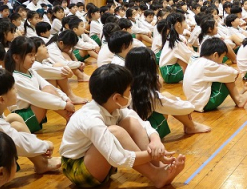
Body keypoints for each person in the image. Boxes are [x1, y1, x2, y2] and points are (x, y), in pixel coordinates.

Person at [58, 64, 186, 188]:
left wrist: (155, 140)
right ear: (117, 98)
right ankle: (155, 175)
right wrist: (152, 154)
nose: (131, 94)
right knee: (115, 132)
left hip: (99, 159)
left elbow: (142, 123)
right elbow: (117, 159)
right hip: (76, 167)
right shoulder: (91, 119)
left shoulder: (112, 107)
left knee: (131, 122)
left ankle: (159, 167)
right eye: (129, 91)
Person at [0, 69, 61, 174]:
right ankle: (42, 163)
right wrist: (46, 145)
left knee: (14, 118)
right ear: (1, 100)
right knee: (19, 133)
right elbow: (22, 144)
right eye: (13, 88)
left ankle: (41, 163)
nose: (16, 90)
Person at [125, 47, 209, 138]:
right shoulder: (146, 94)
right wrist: (188, 108)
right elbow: (176, 106)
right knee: (167, 104)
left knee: (166, 97)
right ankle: (192, 126)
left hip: (130, 128)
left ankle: (191, 125)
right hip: (140, 135)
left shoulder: (128, 82)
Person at [5, 37, 74, 133]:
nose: (33, 59)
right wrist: (64, 105)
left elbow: (49, 86)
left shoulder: (31, 71)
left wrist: (66, 99)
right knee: (47, 92)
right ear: (16, 57)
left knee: (48, 88)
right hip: (23, 118)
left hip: (33, 110)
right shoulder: (16, 79)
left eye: (34, 55)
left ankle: (70, 118)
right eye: (30, 55)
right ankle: (71, 118)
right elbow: (39, 98)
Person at [182, 38, 247, 112]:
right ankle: (239, 100)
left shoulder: (197, 60)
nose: (222, 60)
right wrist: (225, 66)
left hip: (194, 102)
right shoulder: (207, 64)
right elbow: (234, 73)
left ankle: (238, 96)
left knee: (224, 74)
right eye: (222, 57)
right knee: (227, 75)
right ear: (215, 55)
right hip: (204, 104)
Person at [158, 13, 193, 84]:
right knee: (192, 64)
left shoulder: (171, 38)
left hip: (165, 71)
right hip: (169, 73)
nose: (186, 25)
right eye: (184, 22)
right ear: (178, 24)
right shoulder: (175, 42)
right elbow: (190, 57)